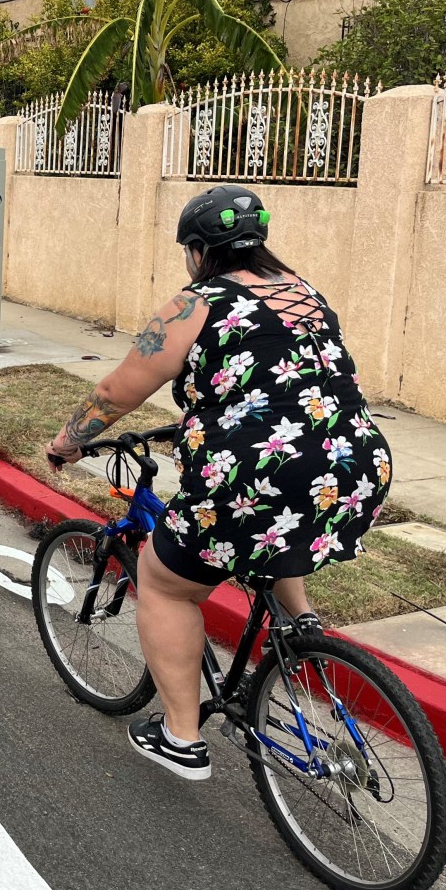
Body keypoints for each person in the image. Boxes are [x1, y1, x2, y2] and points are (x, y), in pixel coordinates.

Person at [45, 184, 391, 781]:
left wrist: (67, 442)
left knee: (164, 583)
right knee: (277, 529)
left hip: (259, 472)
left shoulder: (195, 303)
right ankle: (299, 623)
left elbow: (117, 391)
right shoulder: (303, 291)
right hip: (356, 462)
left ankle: (180, 738)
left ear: (200, 250)